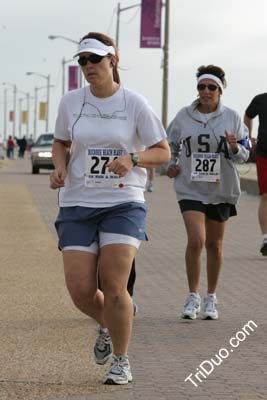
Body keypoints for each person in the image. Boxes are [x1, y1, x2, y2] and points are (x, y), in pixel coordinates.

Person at [50, 32, 170, 385]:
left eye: (95, 60)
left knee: (115, 284)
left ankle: (121, 360)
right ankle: (108, 322)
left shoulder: (135, 104)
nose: (88, 67)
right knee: (80, 291)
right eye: (82, 61)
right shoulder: (71, 102)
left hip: (123, 202)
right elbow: (61, 141)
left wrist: (133, 158)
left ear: (112, 61)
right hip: (77, 201)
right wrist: (59, 165)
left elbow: (162, 152)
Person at [166, 65, 249, 320]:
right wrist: (170, 165)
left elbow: (244, 155)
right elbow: (169, 145)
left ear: (220, 90)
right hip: (190, 187)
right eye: (201, 87)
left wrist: (235, 147)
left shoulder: (232, 117)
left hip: (221, 188)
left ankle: (211, 297)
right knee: (196, 240)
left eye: (211, 87)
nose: (206, 91)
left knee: (214, 244)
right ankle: (193, 296)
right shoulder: (182, 116)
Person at [244, 95, 267, 256]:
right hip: (263, 154)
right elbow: (248, 115)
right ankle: (266, 238)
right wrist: (248, 138)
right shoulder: (260, 100)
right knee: (265, 196)